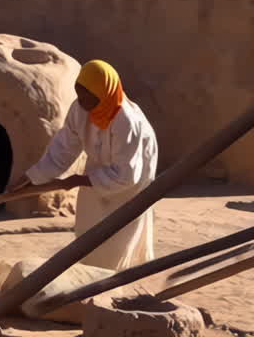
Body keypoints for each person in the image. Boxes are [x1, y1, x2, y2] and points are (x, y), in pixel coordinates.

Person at [10, 60, 159, 270]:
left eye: (89, 97)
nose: (83, 102)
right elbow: (64, 147)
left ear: (104, 92)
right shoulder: (80, 108)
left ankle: (114, 277)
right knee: (90, 227)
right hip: (98, 170)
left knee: (118, 235)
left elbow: (127, 174)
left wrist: (80, 179)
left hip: (131, 176)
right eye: (80, 95)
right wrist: (32, 176)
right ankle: (90, 271)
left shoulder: (126, 121)